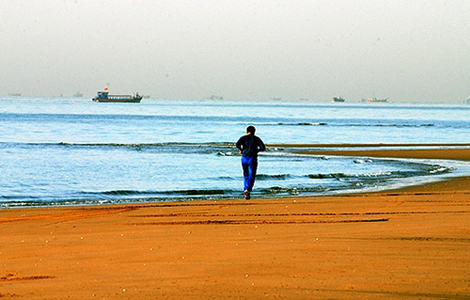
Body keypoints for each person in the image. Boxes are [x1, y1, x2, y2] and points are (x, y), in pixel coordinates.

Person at [236, 126, 266, 199]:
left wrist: (241, 150)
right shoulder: (256, 139)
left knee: (245, 173)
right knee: (252, 174)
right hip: (252, 157)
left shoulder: (243, 138)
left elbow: (237, 144)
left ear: (247, 131)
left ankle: (245, 189)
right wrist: (257, 151)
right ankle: (248, 189)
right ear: (254, 131)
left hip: (244, 157)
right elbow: (263, 148)